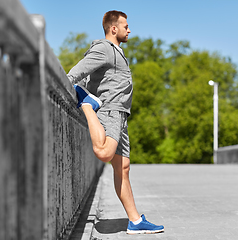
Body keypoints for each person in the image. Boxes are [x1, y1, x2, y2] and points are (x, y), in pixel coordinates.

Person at [67, 10, 164, 234]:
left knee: (123, 168)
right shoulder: (104, 48)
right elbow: (75, 73)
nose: (129, 30)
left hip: (120, 114)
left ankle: (135, 221)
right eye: (125, 26)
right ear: (114, 29)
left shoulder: (116, 52)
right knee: (103, 152)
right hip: (109, 111)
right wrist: (76, 92)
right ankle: (87, 105)